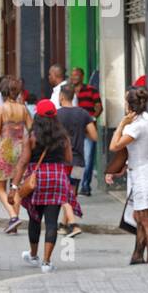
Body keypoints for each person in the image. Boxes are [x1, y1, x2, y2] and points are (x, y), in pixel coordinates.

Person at [107, 86, 148, 264]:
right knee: (140, 217)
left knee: (146, 219)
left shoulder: (135, 126)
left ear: (129, 105)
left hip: (142, 176)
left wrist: (121, 124)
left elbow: (114, 146)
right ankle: (138, 256)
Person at [13, 100, 78, 273]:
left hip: (37, 179)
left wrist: (14, 186)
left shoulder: (32, 137)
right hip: (57, 178)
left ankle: (33, 255)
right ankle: (47, 262)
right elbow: (69, 159)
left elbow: (23, 162)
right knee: (51, 221)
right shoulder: (63, 136)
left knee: (35, 219)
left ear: (38, 116)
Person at [0, 76, 32, 234]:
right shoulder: (23, 108)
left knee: (0, 186)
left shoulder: (1, 109)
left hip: (5, 148)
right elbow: (32, 129)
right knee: (17, 185)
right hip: (20, 148)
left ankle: (13, 216)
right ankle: (14, 221)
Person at [55, 83, 96, 238]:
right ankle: (63, 225)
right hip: (78, 161)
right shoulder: (83, 114)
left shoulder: (57, 115)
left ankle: (71, 224)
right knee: (72, 192)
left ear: (61, 96)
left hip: (63, 161)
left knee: (63, 193)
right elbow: (94, 136)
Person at [69, 68, 102, 195]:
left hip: (88, 130)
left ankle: (85, 185)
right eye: (72, 75)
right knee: (75, 159)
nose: (74, 77)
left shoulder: (91, 90)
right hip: (73, 131)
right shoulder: (68, 91)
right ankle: (74, 184)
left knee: (88, 159)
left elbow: (99, 107)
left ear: (82, 76)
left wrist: (92, 118)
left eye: (77, 75)